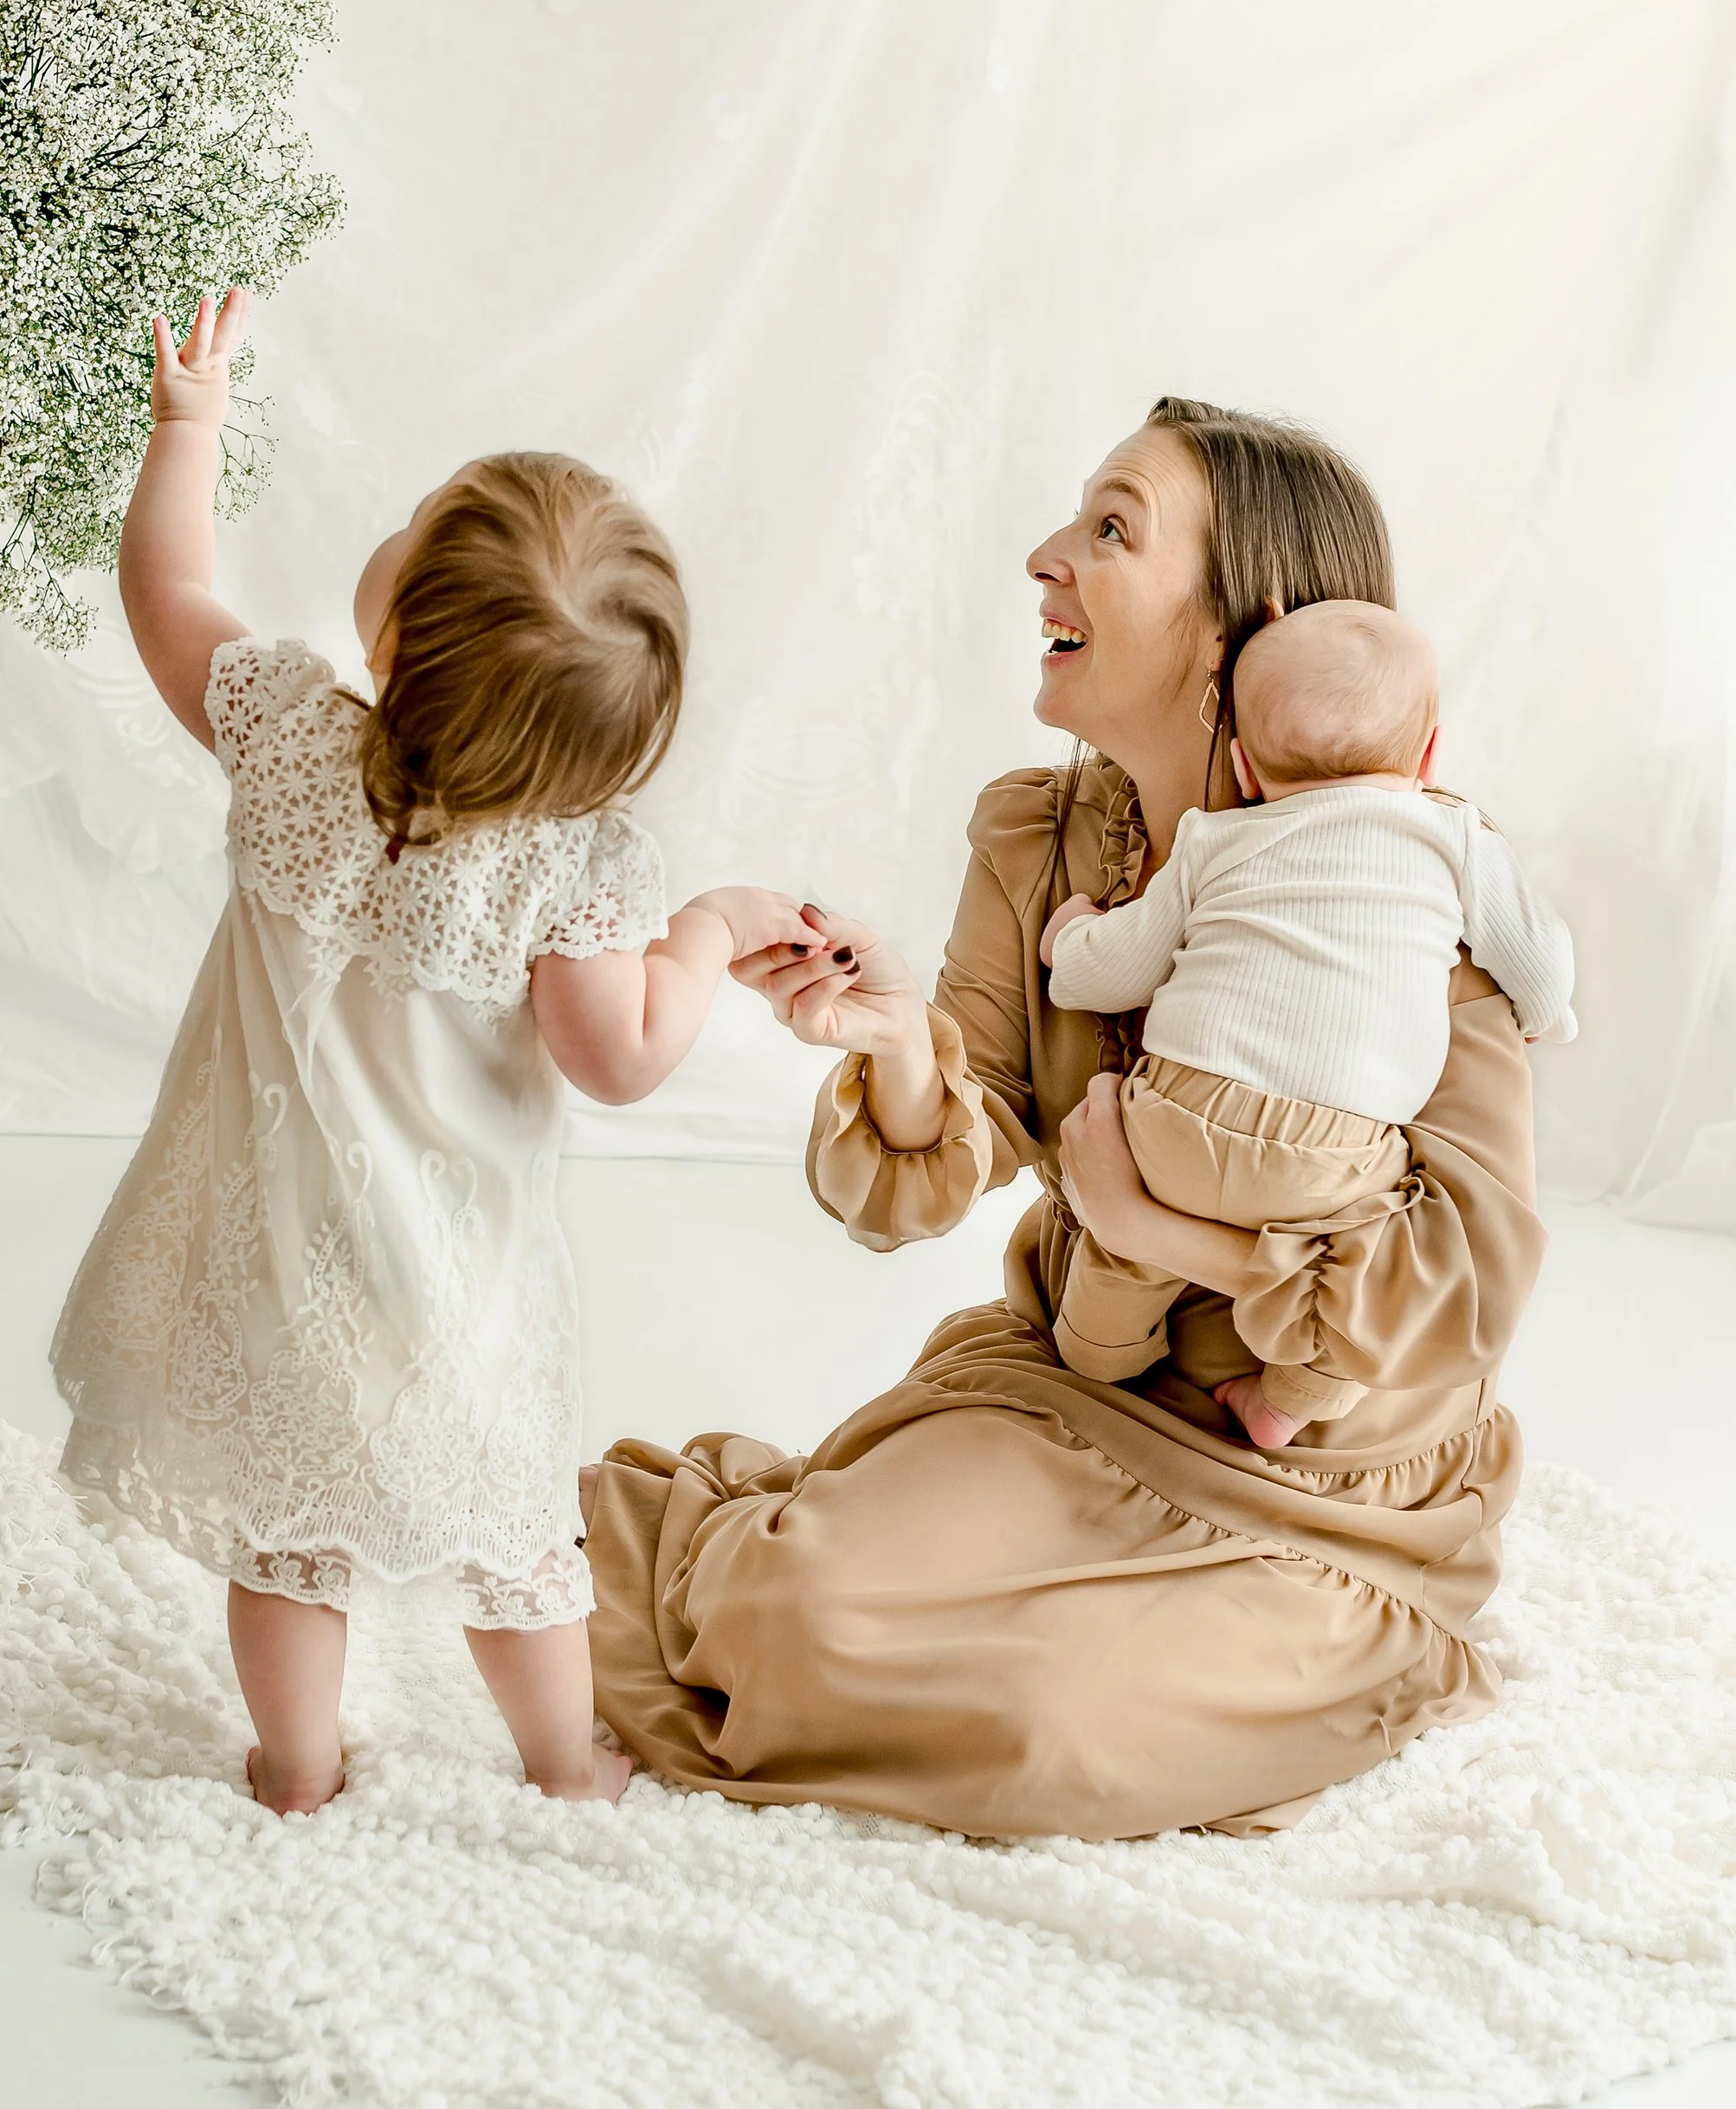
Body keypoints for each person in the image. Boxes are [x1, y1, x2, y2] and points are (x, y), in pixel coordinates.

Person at [583, 395, 1549, 1842]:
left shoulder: (1416, 872)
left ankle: (1367, 1655)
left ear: (1241, 624)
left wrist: (1153, 1225)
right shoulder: (1041, 838)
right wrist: (898, 1039)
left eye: (1112, 530)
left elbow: (1468, 1274)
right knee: (789, 1621)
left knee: (1054, 1739)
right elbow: (942, 1154)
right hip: (1083, 1386)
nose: (1048, 555)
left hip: (1321, 1471)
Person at [52, 291, 825, 1815]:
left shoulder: (290, 735)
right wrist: (710, 929)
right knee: (516, 1544)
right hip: (456, 1291)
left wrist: (187, 428)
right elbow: (623, 1056)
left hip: (275, 1259)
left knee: (289, 1543)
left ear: (395, 638)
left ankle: (297, 1765)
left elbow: (165, 586)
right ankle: (562, 1761)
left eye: (411, 528)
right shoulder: (575, 864)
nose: (394, 523)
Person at [1041, 598, 1574, 1450]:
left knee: (1125, 1255)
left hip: (1176, 1116)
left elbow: (1111, 976)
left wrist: (1068, 939)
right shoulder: (1455, 838)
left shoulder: (1212, 840)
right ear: (1429, 756)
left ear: (1245, 768)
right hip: (1336, 1157)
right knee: (1371, 1276)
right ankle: (1284, 1403)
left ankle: (1097, 1356)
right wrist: (1546, 1012)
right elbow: (1540, 958)